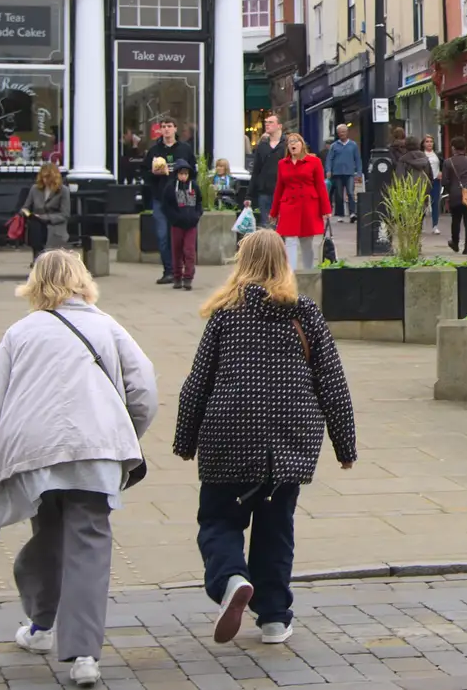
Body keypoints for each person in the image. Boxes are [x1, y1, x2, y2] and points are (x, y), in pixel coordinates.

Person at [0, 250, 157, 687]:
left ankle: (42, 626)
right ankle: (84, 654)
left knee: (47, 537)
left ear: (36, 284)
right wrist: (124, 433)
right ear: (82, 281)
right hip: (97, 450)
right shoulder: (107, 325)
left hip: (35, 452)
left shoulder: (20, 332)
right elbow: (144, 388)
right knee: (88, 543)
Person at [174, 230, 356, 646]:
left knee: (219, 520)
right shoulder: (305, 312)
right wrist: (345, 446)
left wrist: (185, 440)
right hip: (288, 440)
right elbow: (332, 383)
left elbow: (197, 383)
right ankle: (274, 617)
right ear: (283, 263)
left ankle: (231, 579)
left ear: (243, 263)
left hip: (228, 434)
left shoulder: (226, 315)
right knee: (276, 528)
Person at [143, 119, 194, 286]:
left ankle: (182, 271)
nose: (166, 130)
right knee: (162, 235)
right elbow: (145, 175)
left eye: (169, 127)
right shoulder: (154, 151)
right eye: (163, 127)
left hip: (181, 197)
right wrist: (154, 173)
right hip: (160, 198)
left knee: (180, 236)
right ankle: (169, 271)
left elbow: (193, 171)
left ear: (175, 129)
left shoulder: (184, 149)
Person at [270, 134, 330, 271]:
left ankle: (308, 272)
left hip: (309, 205)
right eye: (290, 142)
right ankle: (291, 274)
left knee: (306, 241)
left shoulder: (314, 162)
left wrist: (326, 209)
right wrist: (274, 212)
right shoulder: (282, 164)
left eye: (295, 141)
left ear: (302, 144)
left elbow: (320, 186)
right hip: (289, 205)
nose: (293, 144)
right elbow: (279, 188)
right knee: (289, 240)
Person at [22, 162, 71, 262]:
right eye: (43, 177)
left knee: (39, 226)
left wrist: (45, 217)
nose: (45, 180)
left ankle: (42, 260)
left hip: (54, 224)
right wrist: (25, 212)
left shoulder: (63, 190)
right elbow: (26, 207)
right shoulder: (35, 189)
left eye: (48, 177)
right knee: (35, 225)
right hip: (37, 224)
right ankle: (38, 260)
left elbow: (65, 215)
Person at [441, 137, 467, 255]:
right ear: (465, 148)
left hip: (455, 194)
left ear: (453, 148)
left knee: (456, 220)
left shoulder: (448, 162)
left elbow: (444, 181)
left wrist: (451, 190)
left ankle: (455, 243)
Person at [167, 160, 203, 291]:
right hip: (177, 225)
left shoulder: (194, 186)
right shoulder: (171, 187)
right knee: (176, 251)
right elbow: (167, 206)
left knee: (189, 251)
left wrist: (197, 216)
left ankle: (188, 278)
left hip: (191, 225)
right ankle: (177, 277)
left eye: (185, 174)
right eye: (181, 173)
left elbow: (199, 202)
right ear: (177, 174)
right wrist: (174, 218)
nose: (183, 176)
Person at [248, 115, 286, 228]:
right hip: (264, 191)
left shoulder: (287, 145)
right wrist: (249, 195)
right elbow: (256, 171)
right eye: (266, 122)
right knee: (266, 226)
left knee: (282, 226)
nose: (267, 124)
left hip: (283, 192)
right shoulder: (262, 146)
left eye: (270, 122)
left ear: (279, 126)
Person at [324, 124, 362, 223]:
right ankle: (340, 214)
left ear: (347, 132)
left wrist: (358, 173)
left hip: (349, 173)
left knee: (350, 193)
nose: (342, 134)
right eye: (340, 132)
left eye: (343, 132)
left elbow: (358, 160)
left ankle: (353, 213)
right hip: (337, 173)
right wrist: (328, 170)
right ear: (338, 133)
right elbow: (329, 159)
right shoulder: (334, 146)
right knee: (339, 194)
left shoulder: (353, 145)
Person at [419, 135, 443, 233]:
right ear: (423, 144)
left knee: (435, 203)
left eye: (431, 141)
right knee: (422, 203)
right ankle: (420, 225)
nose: (429, 143)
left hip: (436, 181)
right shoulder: (421, 155)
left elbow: (443, 164)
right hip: (424, 181)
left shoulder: (437, 155)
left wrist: (441, 172)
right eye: (427, 141)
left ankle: (435, 226)